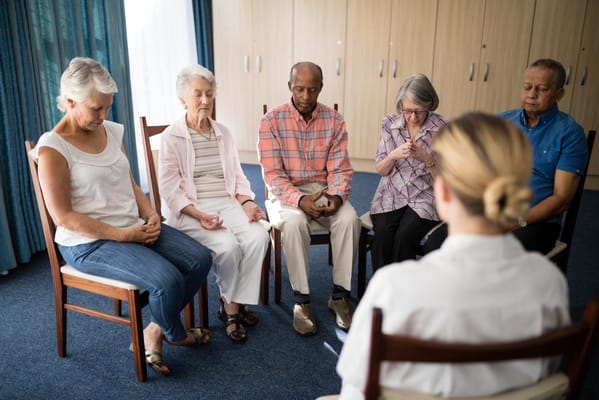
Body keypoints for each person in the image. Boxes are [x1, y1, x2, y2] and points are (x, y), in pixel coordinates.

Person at [336, 113, 570, 399]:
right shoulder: (549, 283)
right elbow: (544, 376)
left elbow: (356, 386)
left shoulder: (392, 287)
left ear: (442, 193)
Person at [32, 57, 213, 376]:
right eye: (96, 109)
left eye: (107, 107)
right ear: (70, 102)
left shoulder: (111, 131)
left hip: (133, 226)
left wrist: (149, 212)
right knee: (167, 280)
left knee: (200, 257)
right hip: (88, 244)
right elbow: (64, 218)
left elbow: (127, 181)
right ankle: (175, 333)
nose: (104, 116)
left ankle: (152, 331)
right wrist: (125, 235)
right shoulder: (53, 149)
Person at [159, 64, 270, 343]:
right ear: (182, 98)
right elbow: (170, 191)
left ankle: (231, 301)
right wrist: (199, 215)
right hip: (190, 209)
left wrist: (246, 202)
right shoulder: (171, 137)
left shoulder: (224, 132)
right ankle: (233, 310)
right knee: (228, 246)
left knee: (259, 236)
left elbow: (238, 176)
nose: (206, 100)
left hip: (226, 200)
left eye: (210, 93)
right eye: (198, 94)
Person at [258, 61, 361, 336]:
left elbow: (340, 169)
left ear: (321, 89)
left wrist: (336, 198)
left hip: (323, 188)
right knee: (293, 225)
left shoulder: (335, 120)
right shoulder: (271, 121)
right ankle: (301, 302)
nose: (305, 96)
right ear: (290, 86)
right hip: (286, 191)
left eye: (312, 90)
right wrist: (300, 200)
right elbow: (272, 175)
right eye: (300, 89)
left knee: (350, 220)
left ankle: (339, 296)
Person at [499, 58, 588, 254]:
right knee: (439, 242)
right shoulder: (503, 121)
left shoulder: (570, 133)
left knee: (498, 254)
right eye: (527, 87)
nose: (531, 95)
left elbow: (562, 198)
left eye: (542, 89)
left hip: (535, 221)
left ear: (559, 94)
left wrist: (517, 221)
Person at [369, 73, 446, 271]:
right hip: (391, 192)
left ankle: (402, 292)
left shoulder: (443, 128)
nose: (412, 117)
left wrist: (427, 159)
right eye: (407, 111)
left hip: (425, 194)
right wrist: (393, 155)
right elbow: (381, 170)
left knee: (405, 236)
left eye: (419, 111)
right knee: (384, 234)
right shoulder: (389, 124)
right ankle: (381, 289)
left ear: (429, 104)